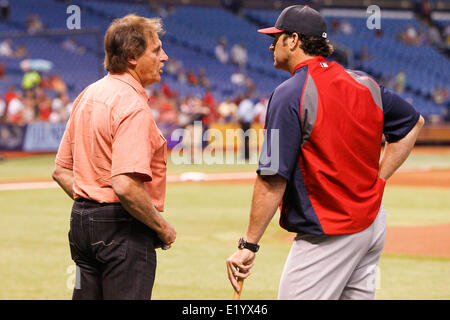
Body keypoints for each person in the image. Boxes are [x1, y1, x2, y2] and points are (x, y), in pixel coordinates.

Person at [226, 5, 424, 300]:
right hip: (371, 224)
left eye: (276, 37)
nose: (271, 45)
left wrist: (249, 245)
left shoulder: (289, 93)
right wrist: (379, 181)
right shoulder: (364, 83)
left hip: (329, 230)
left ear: (293, 40)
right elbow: (414, 124)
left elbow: (271, 178)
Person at [52, 14, 176, 300]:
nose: (164, 57)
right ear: (132, 56)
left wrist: (92, 201)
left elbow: (61, 170)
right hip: (122, 229)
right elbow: (125, 186)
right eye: (156, 50)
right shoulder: (132, 104)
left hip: (82, 225)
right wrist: (162, 228)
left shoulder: (88, 94)